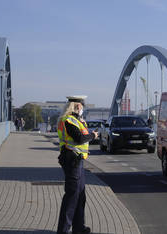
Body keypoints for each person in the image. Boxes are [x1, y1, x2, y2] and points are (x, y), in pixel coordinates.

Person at [57, 95, 98, 234]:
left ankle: (79, 227)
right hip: (71, 160)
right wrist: (93, 136)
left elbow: (82, 137)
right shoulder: (68, 120)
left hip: (78, 161)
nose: (82, 108)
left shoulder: (77, 120)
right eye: (81, 105)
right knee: (72, 195)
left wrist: (87, 129)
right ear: (76, 106)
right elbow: (79, 138)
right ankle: (63, 230)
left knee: (80, 195)